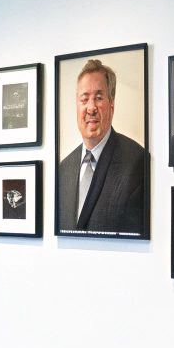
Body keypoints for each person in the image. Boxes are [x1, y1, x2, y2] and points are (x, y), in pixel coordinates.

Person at [58, 58, 149, 235]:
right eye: (84, 99)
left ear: (111, 104)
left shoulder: (138, 162)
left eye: (98, 98)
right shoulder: (63, 169)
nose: (91, 108)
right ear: (77, 106)